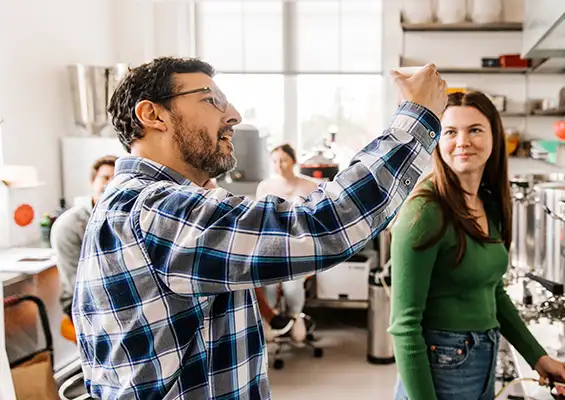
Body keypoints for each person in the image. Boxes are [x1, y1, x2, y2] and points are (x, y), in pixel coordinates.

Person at [73, 56, 447, 399]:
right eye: (211, 100)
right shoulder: (154, 211)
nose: (233, 115)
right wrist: (417, 117)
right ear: (153, 115)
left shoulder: (139, 203)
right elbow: (321, 225)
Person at [388, 91, 565, 400]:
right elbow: (404, 328)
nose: (462, 141)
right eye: (450, 132)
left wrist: (538, 357)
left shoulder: (490, 203)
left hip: (481, 361)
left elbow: (493, 291)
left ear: (495, 137)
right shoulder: (425, 211)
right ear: (438, 139)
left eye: (475, 129)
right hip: (440, 367)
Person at [254, 143, 318, 342]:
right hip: (271, 249)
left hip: (299, 249)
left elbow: (316, 222)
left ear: (293, 161)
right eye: (274, 161)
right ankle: (271, 320)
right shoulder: (265, 187)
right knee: (269, 285)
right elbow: (258, 221)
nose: (279, 165)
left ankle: (295, 317)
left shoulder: (309, 186)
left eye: (283, 160)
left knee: (292, 285)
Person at [51, 155, 117, 317]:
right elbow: (77, 284)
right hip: (80, 303)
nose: (110, 183)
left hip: (112, 296)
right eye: (105, 177)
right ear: (92, 182)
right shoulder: (69, 224)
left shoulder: (121, 217)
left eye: (116, 179)